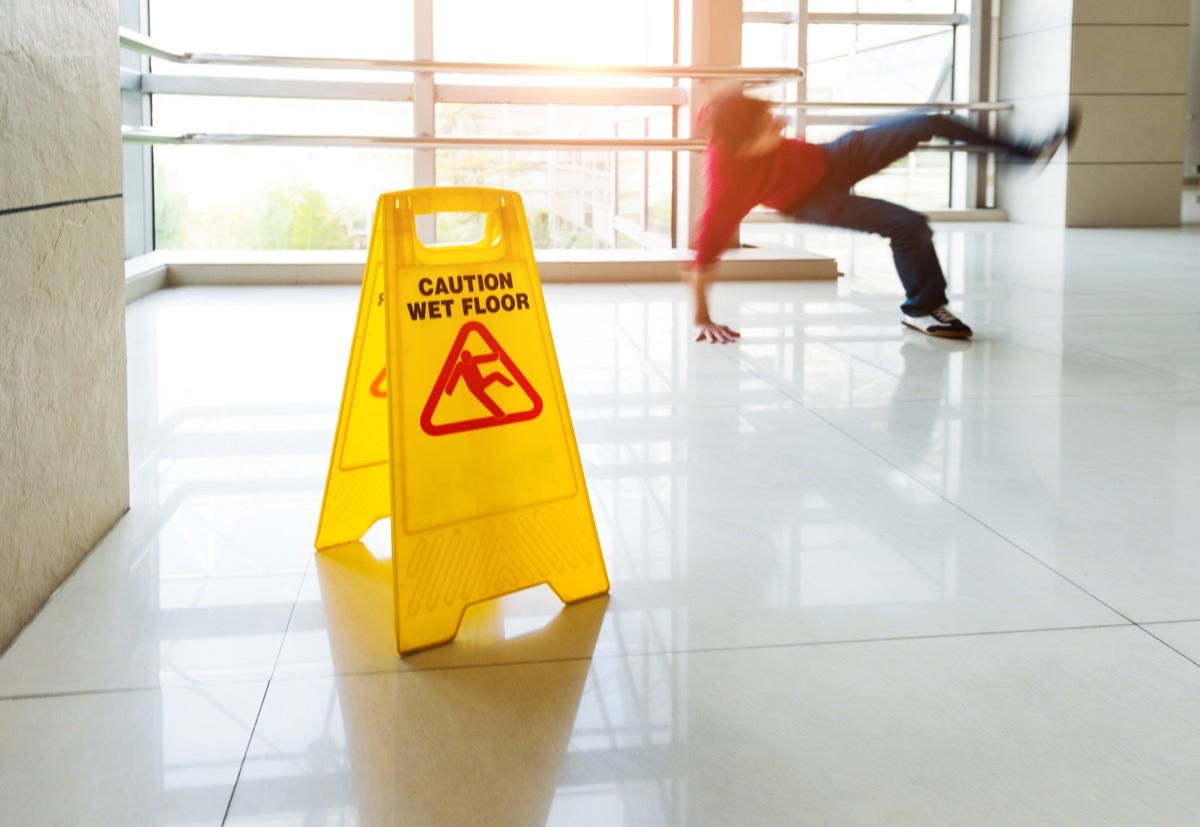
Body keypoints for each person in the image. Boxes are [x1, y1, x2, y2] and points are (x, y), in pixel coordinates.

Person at [686, 88, 1080, 343]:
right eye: (769, 126)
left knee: (930, 120)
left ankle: (1021, 152)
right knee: (907, 224)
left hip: (832, 157)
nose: (781, 122)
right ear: (746, 147)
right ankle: (923, 308)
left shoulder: (734, 123)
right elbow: (703, 255)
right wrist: (702, 318)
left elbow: (720, 108)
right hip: (810, 199)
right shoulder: (727, 184)